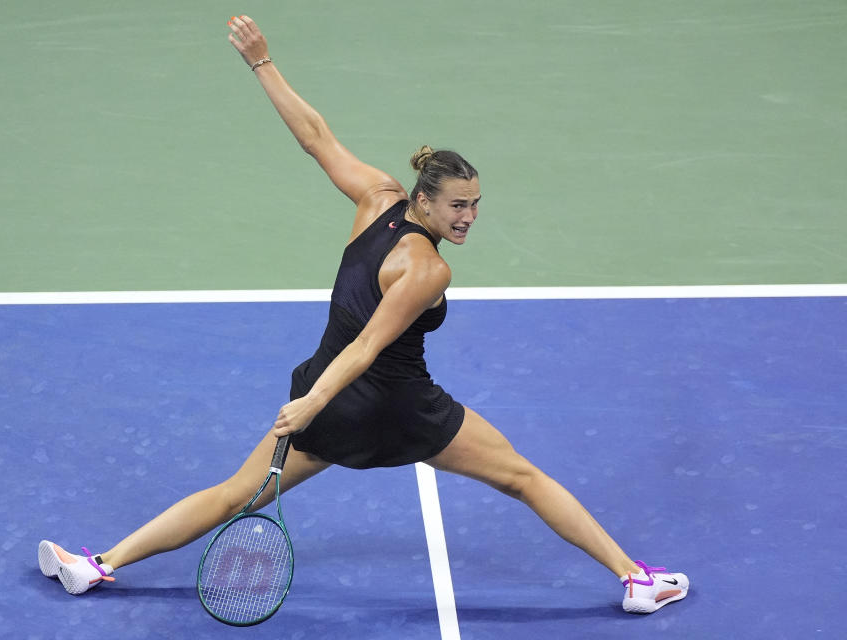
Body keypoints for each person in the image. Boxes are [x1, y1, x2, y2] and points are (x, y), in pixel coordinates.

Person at [37, 15, 689, 615]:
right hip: (394, 407)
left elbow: (317, 139)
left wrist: (263, 64)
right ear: (426, 199)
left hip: (330, 404)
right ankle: (635, 579)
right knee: (521, 477)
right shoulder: (427, 267)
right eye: (458, 205)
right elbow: (371, 346)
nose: (468, 218)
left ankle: (97, 565)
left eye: (476, 205)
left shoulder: (376, 197)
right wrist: (314, 403)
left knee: (237, 492)